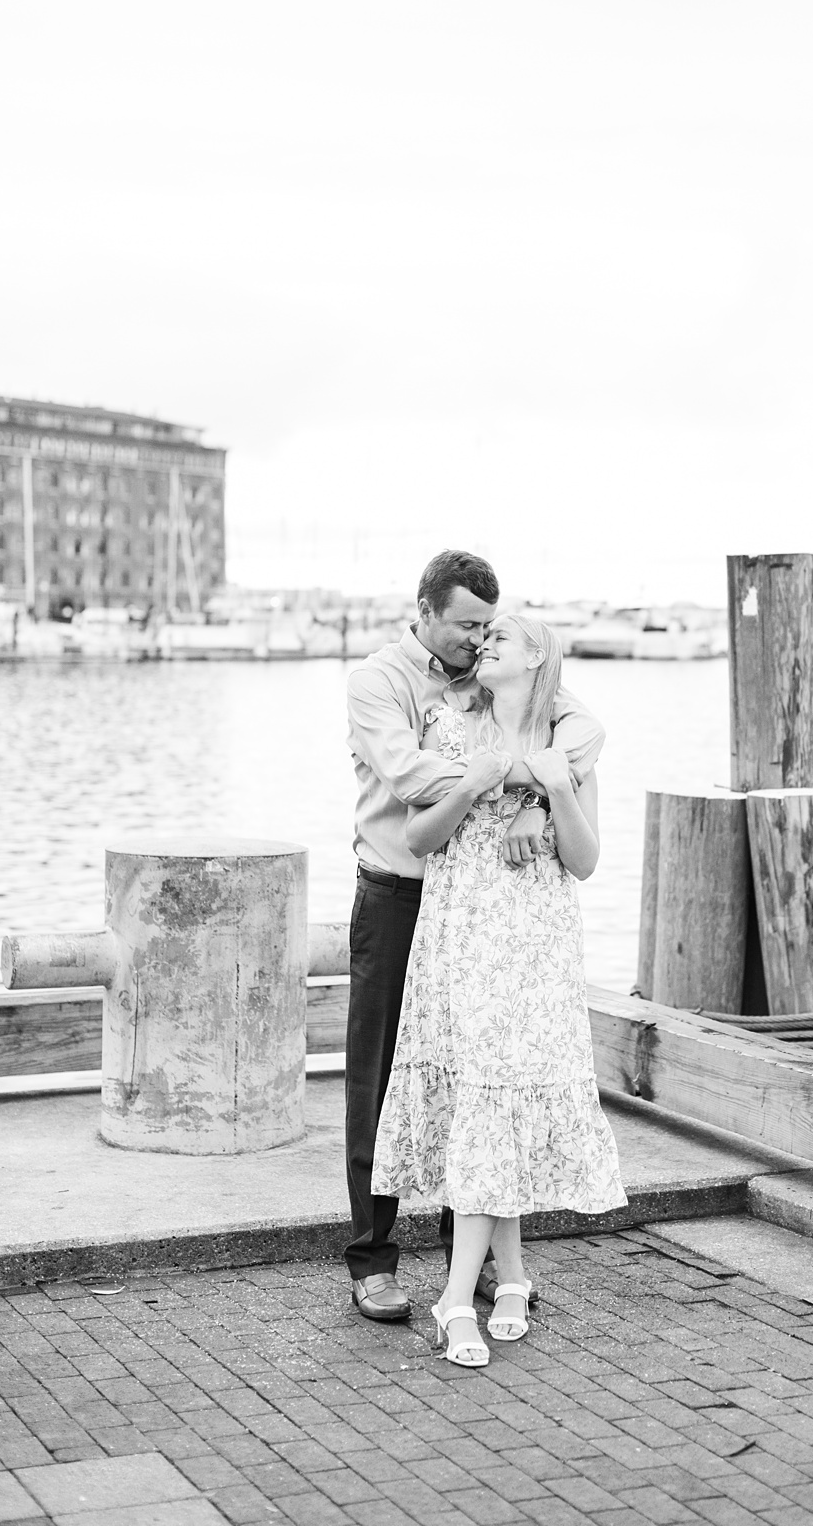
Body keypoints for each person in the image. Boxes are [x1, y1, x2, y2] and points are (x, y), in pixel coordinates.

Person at [342, 550, 603, 1324]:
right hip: (399, 893)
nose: (477, 639)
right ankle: (372, 1257)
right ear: (423, 611)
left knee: (476, 1073)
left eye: (490, 628)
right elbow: (414, 775)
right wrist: (511, 776)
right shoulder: (380, 681)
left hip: (488, 911)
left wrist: (541, 795)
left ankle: (476, 1252)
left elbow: (584, 730)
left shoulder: (505, 683)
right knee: (383, 1074)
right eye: (465, 626)